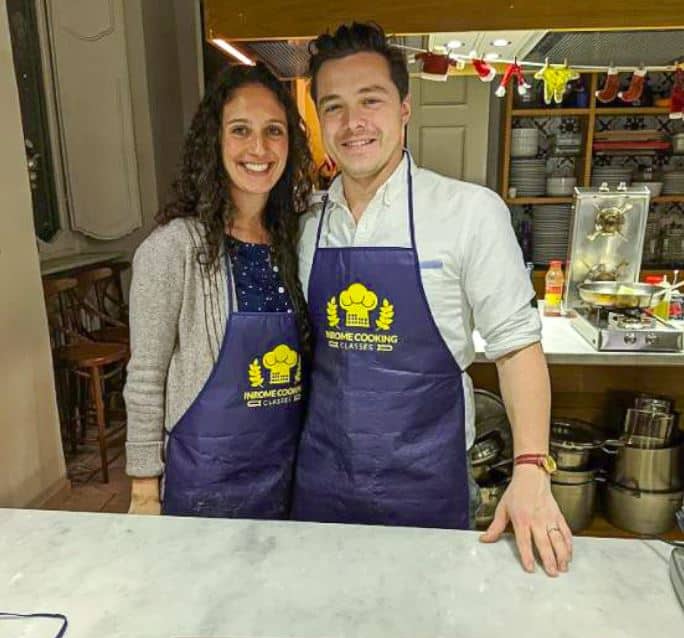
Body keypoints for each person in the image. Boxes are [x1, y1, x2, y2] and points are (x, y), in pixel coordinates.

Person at [292, 23, 572, 576]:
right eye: (334, 107)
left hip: (427, 488)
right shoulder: (304, 225)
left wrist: (532, 469)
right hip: (320, 485)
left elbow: (516, 349)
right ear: (319, 120)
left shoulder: (469, 211)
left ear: (403, 108)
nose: (353, 124)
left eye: (370, 101)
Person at [123, 62, 312, 518]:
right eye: (240, 130)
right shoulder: (172, 250)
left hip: (287, 476)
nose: (259, 148)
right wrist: (144, 490)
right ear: (215, 141)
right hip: (203, 482)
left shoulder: (298, 242)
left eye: (274, 131)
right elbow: (146, 377)